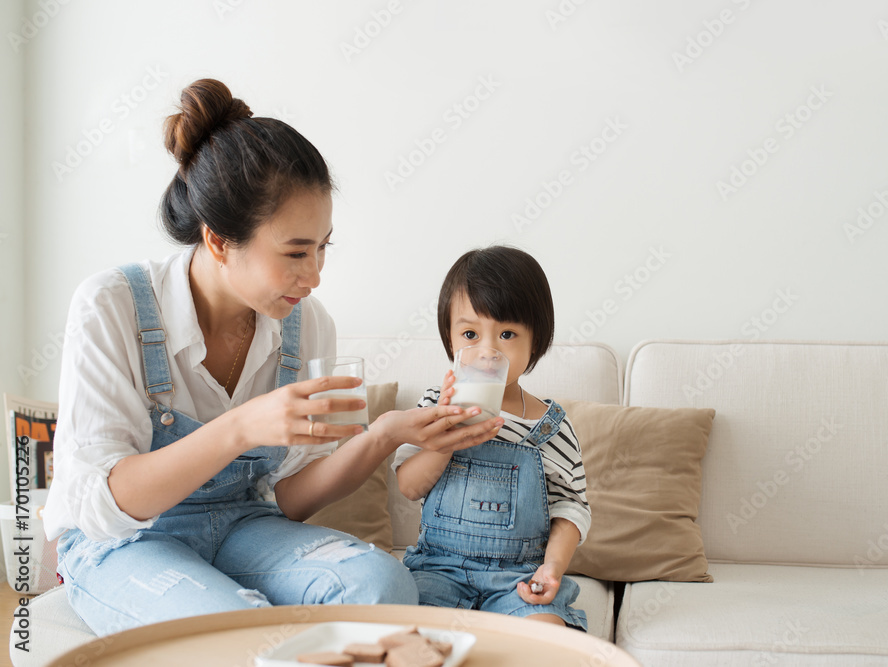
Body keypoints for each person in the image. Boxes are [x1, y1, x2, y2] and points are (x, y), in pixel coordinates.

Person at [42, 79, 503, 636]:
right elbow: (101, 507)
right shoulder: (112, 306)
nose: (315, 276)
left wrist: (382, 435)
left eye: (323, 247)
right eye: (295, 252)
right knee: (237, 629)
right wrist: (241, 427)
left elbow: (289, 499)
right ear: (218, 241)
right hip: (124, 542)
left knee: (382, 585)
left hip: (243, 525)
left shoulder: (307, 324)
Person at [392, 246, 591, 630]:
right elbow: (408, 486)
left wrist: (551, 568)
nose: (487, 351)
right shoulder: (435, 405)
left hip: (517, 578)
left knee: (547, 636)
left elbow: (572, 508)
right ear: (450, 341)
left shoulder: (550, 426)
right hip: (439, 570)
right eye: (470, 333)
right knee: (411, 634)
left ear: (536, 342)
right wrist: (447, 439)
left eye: (507, 334)